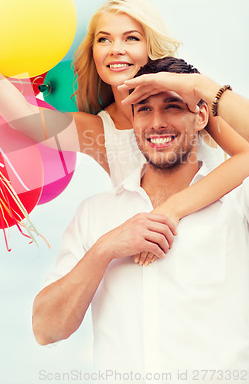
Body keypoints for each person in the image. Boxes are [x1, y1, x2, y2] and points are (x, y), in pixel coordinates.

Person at [0, 0, 249, 265]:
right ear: (94, 54)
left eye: (131, 38)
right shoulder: (102, 131)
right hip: (153, 256)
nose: (115, 49)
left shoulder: (189, 100)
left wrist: (171, 210)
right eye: (104, 39)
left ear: (150, 46)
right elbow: (29, 120)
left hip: (218, 246)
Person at [32, 57, 249, 382]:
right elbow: (46, 329)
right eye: (144, 109)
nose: (157, 122)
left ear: (201, 114)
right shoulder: (95, 214)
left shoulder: (238, 203)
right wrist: (104, 249)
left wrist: (202, 87)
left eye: (173, 106)